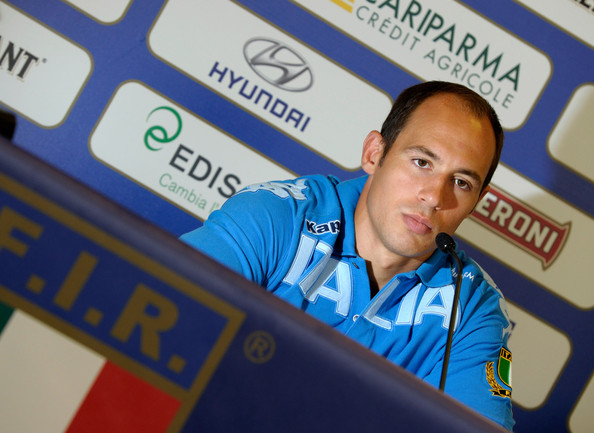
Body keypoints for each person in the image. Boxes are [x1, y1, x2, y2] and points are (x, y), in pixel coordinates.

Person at [181, 81, 514, 430]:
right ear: (374, 154)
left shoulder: (472, 306)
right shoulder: (277, 217)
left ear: (477, 201)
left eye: (461, 182)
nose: (434, 197)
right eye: (422, 162)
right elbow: (166, 315)